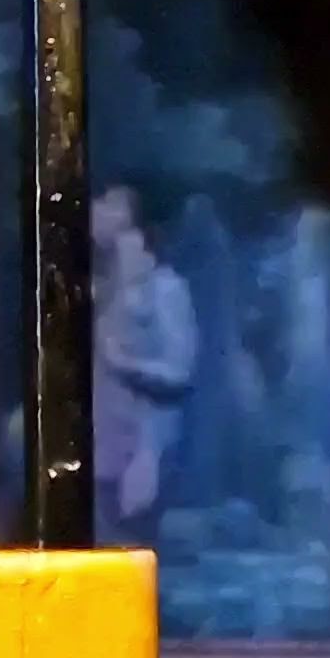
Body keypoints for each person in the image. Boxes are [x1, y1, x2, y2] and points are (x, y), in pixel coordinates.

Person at [91, 182, 198, 528]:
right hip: (97, 453)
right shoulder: (98, 288)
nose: (97, 211)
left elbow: (178, 371)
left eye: (112, 205)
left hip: (139, 456)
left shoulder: (165, 290)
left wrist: (125, 365)